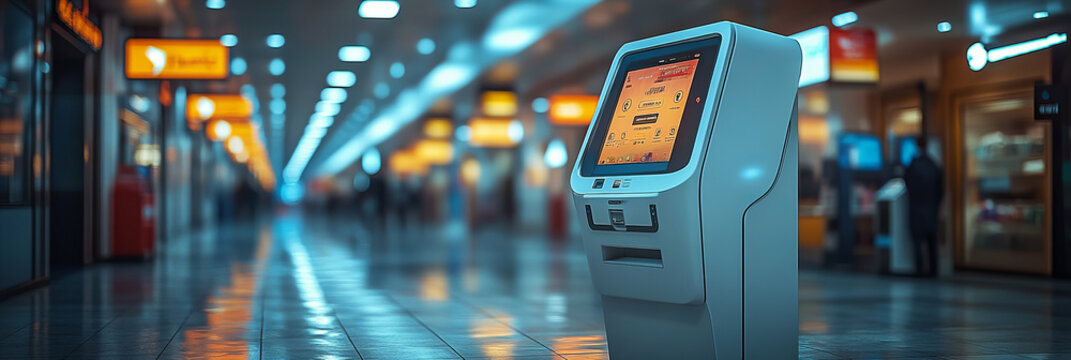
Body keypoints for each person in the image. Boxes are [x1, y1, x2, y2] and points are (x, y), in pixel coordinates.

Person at [904, 137, 943, 277]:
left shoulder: (913, 165)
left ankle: (919, 270)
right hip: (931, 210)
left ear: (917, 146)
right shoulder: (934, 165)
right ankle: (934, 270)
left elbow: (907, 184)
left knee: (917, 243)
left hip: (916, 209)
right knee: (932, 242)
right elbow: (941, 189)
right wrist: (936, 205)